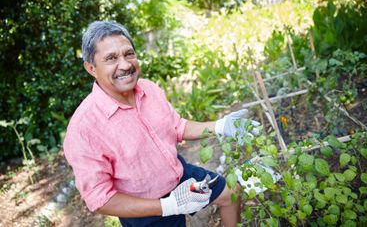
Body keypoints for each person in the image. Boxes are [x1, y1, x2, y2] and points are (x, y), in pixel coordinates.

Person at [63, 21, 260, 227]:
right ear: (91, 68)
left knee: (230, 194)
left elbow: (176, 126)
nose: (125, 64)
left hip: (181, 177)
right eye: (111, 58)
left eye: (129, 54)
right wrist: (169, 206)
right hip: (144, 209)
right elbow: (100, 198)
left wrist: (220, 126)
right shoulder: (84, 128)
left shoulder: (148, 88)